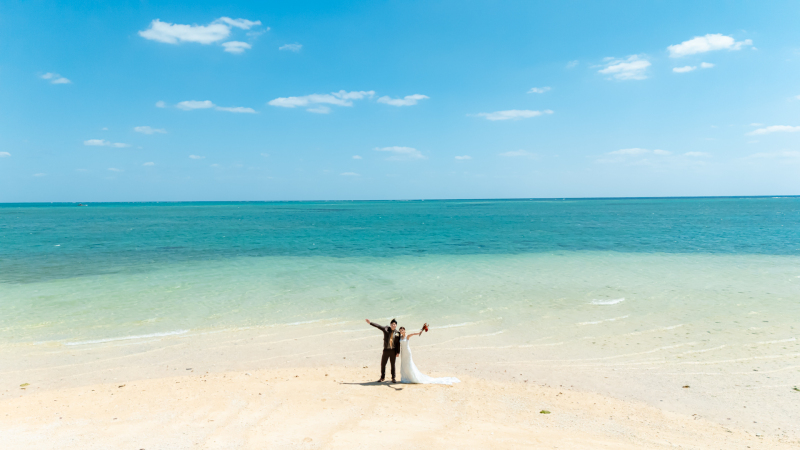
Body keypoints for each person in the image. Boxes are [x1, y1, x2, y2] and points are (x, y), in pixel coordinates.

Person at [365, 318, 401, 382]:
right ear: (390, 325)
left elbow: (398, 343)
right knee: (383, 364)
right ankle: (382, 377)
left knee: (393, 365)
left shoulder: (397, 333)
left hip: (393, 351)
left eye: (395, 324)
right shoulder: (386, 329)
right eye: (392, 324)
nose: (393, 325)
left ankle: (393, 378)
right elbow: (378, 326)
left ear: (396, 325)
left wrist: (398, 352)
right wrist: (370, 323)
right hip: (386, 350)